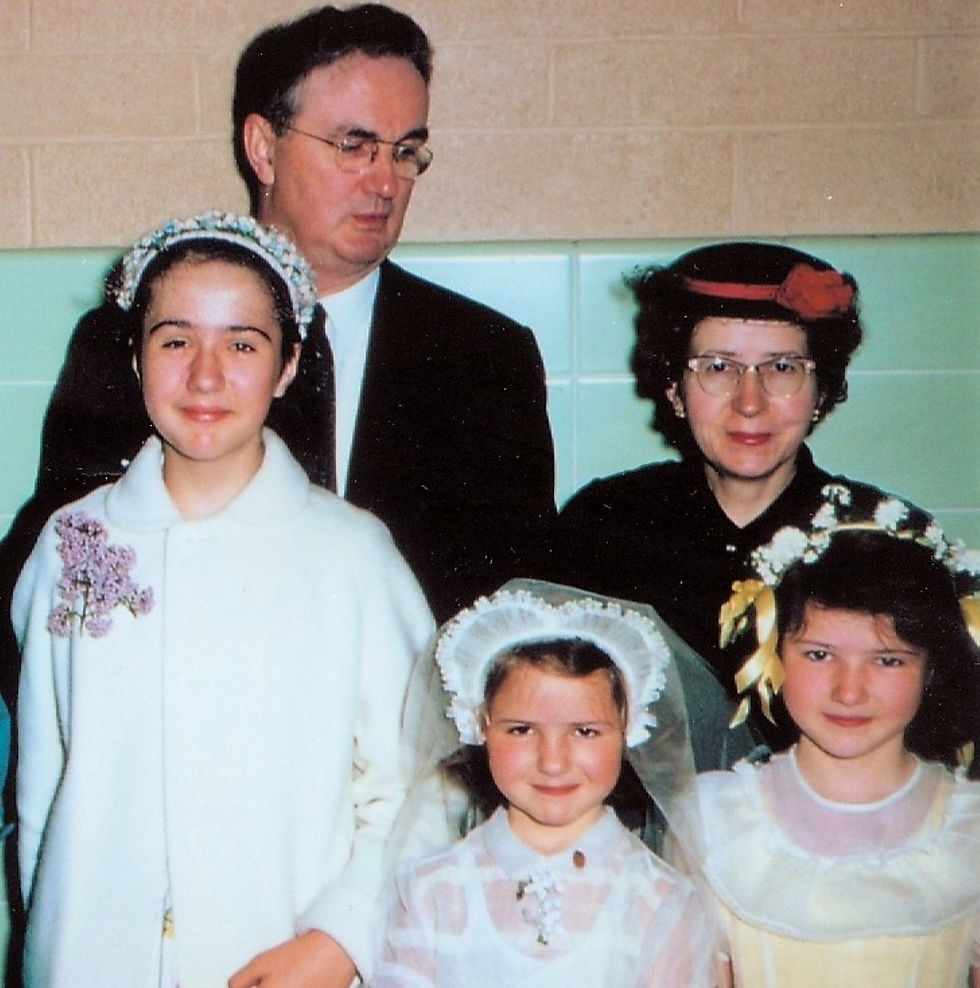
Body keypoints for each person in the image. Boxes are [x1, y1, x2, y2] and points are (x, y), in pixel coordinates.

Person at [0, 2, 555, 711]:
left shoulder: (483, 356)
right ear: (263, 148)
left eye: (405, 151)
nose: (385, 183)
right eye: (354, 145)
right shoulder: (133, 341)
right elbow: (54, 580)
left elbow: (514, 612)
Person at [12, 212, 434, 987]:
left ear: (287, 365)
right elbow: (43, 780)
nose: (205, 377)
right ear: (135, 357)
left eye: (242, 345)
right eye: (175, 341)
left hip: (282, 951)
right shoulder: (71, 544)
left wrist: (340, 939)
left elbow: (421, 784)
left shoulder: (350, 555)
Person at [550, 240, 928, 754]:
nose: (750, 403)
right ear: (674, 389)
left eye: (782, 368)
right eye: (718, 367)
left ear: (821, 392)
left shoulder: (887, 537)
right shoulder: (604, 523)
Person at [695, 489, 980, 986]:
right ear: (773, 653)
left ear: (930, 669)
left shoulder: (970, 826)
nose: (849, 692)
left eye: (887, 660)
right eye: (819, 655)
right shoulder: (713, 817)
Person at [374, 580, 716, 987]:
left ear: (628, 727)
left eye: (585, 732)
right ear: (480, 725)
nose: (553, 762)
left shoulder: (661, 900)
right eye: (521, 730)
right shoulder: (429, 892)